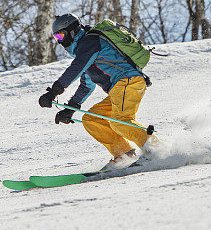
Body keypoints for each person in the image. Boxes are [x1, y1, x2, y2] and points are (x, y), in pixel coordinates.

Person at [38, 13, 158, 170]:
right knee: (91, 119)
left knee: (120, 120)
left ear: (72, 31)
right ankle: (124, 154)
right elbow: (86, 85)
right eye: (57, 39)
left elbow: (76, 68)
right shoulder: (85, 50)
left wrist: (53, 92)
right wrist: (70, 108)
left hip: (128, 81)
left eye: (61, 36)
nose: (60, 42)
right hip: (120, 88)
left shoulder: (89, 42)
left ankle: (155, 149)